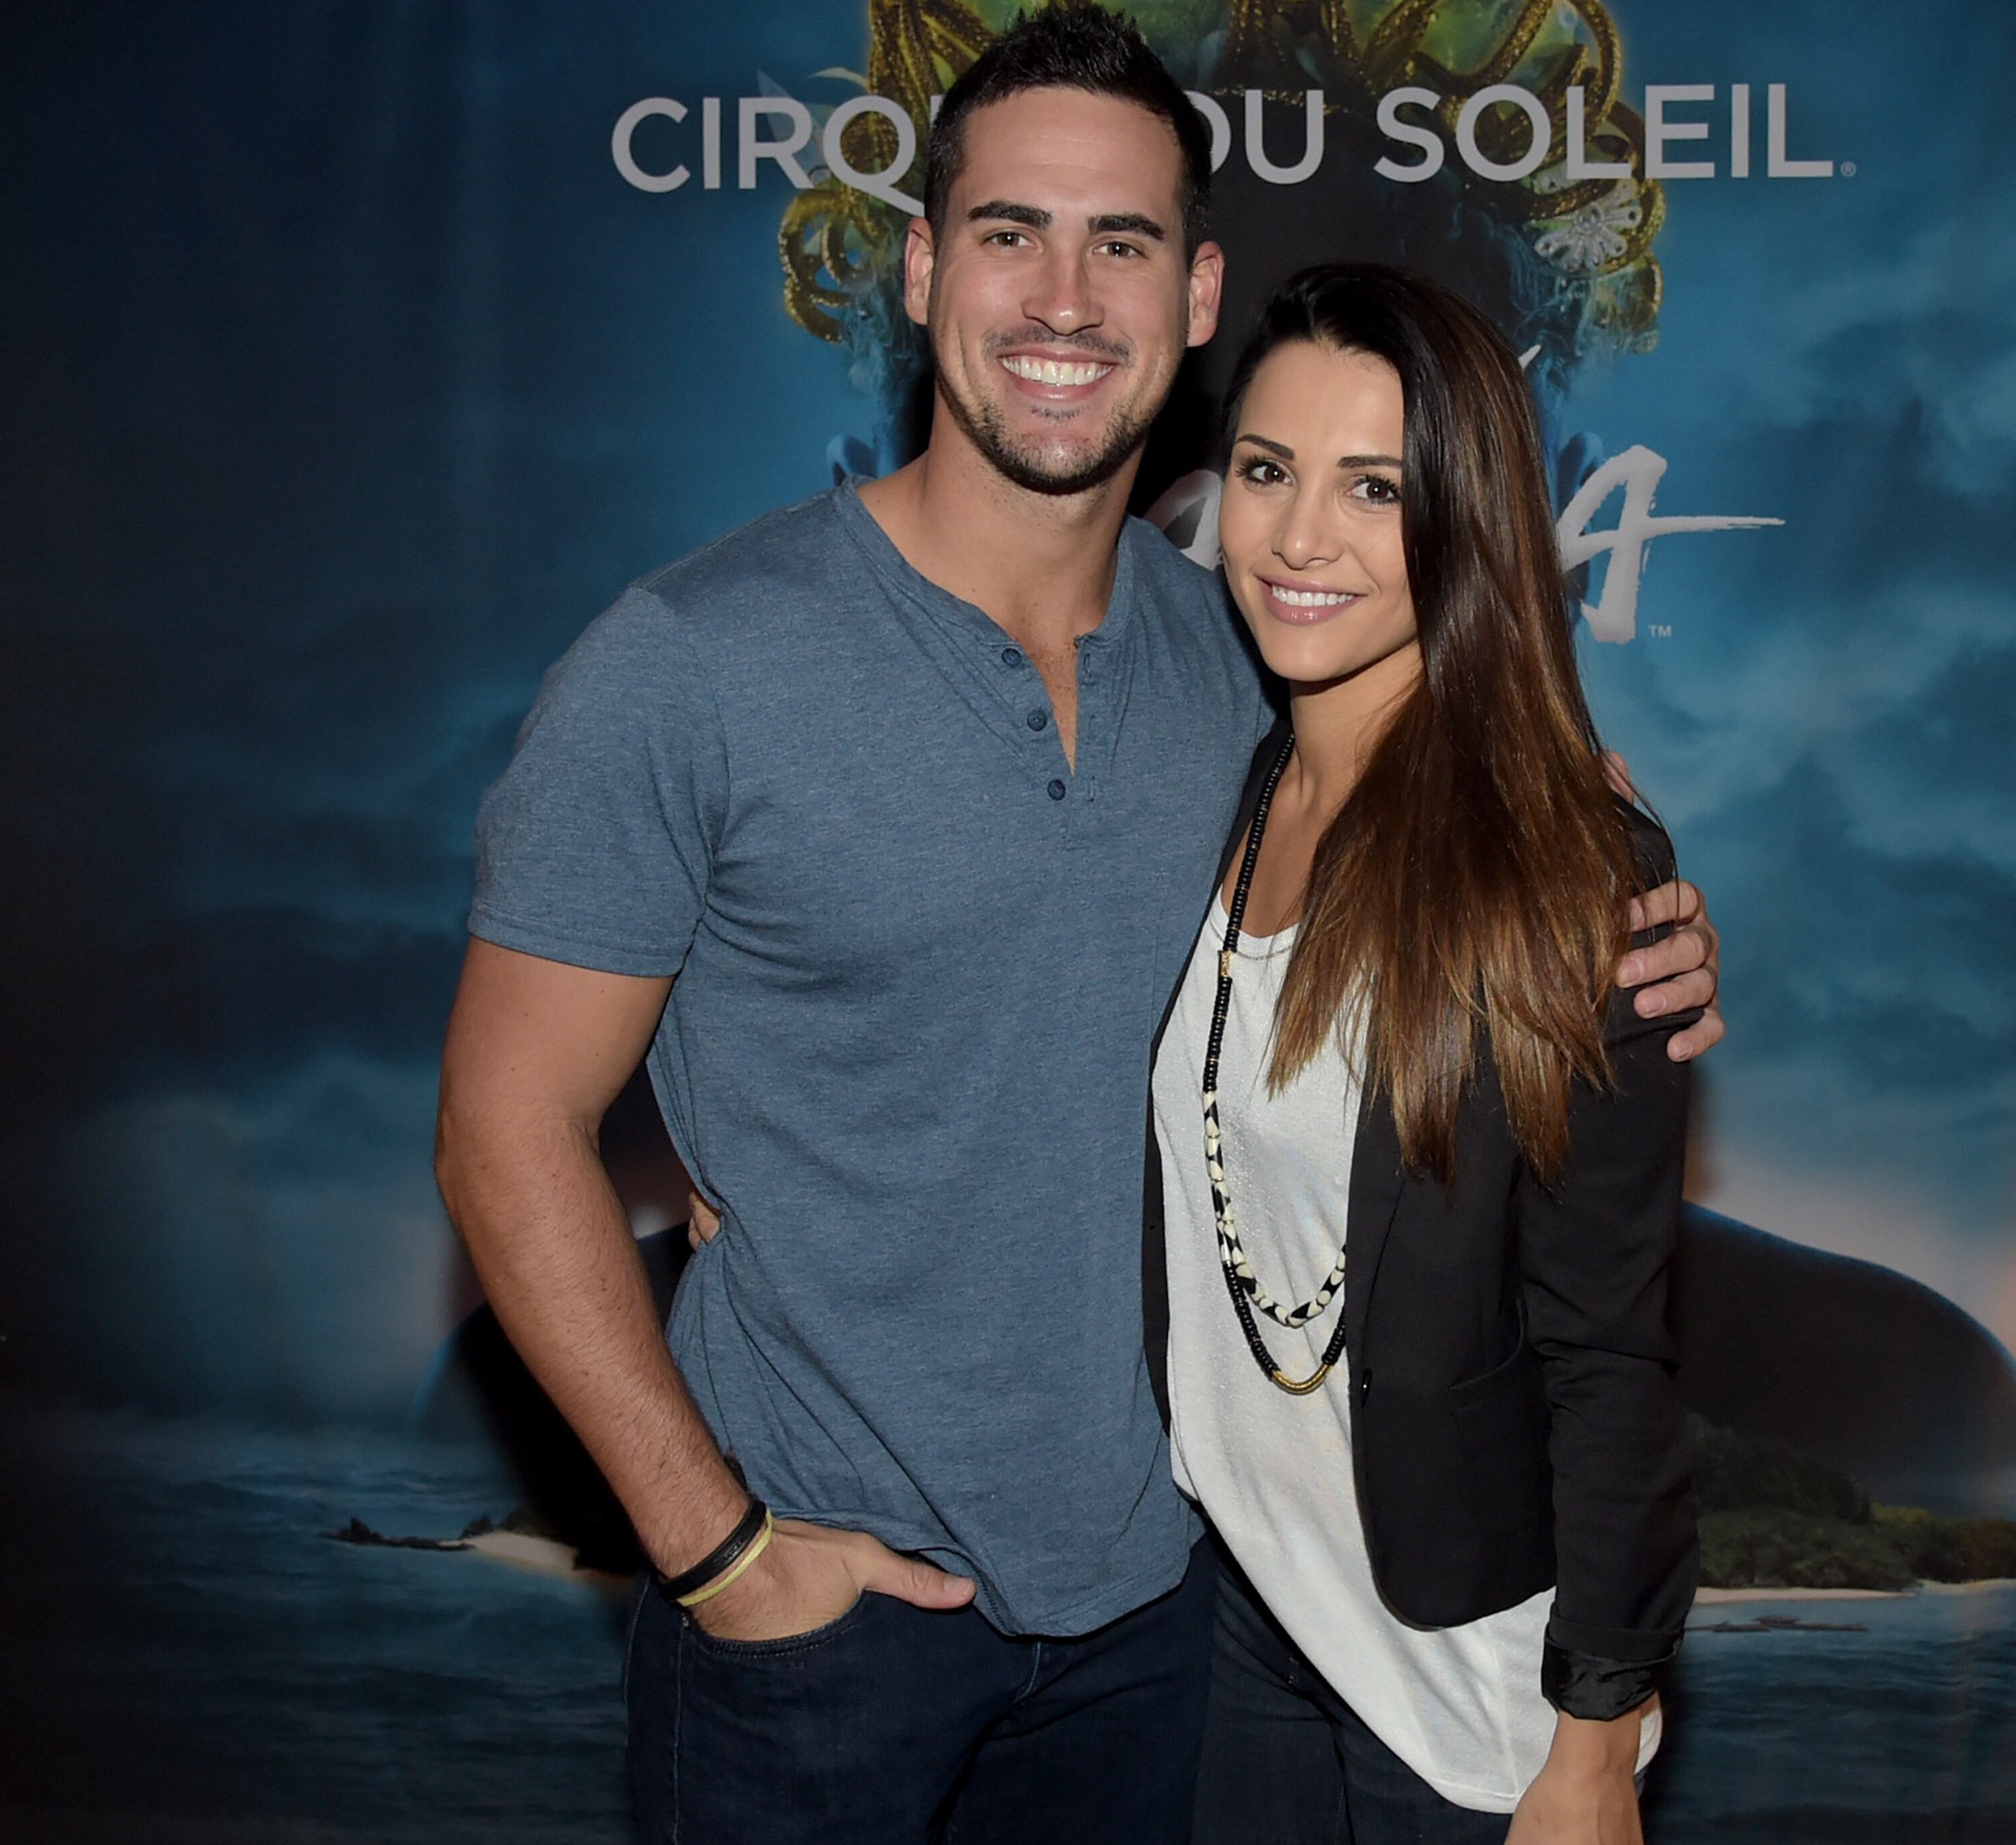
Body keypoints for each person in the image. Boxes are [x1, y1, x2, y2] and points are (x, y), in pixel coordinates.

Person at [433, 9, 1720, 1842]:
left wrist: (1612, 894)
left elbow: (1467, 796)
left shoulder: (1240, 662)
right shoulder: (690, 664)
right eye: (1009, 231)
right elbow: (503, 1129)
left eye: (1120, 241)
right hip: (823, 1628)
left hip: (1169, 1627)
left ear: (1196, 297)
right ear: (919, 267)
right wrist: (718, 1548)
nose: (1063, 296)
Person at [1143, 264, 1696, 1845]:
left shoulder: (1565, 876)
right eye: (1267, 470)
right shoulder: (1216, 786)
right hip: (1245, 1618)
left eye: (1374, 488)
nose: (1300, 536)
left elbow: (1611, 1350)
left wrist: (1593, 1740)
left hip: (1469, 1699)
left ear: (1469, 516)